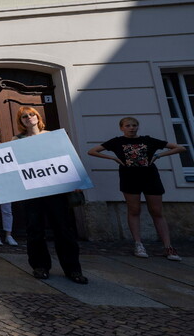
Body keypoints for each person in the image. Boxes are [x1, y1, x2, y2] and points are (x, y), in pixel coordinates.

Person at [88, 117, 185, 261]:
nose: (131, 128)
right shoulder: (117, 141)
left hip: (150, 178)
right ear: (122, 128)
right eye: (128, 126)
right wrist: (113, 159)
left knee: (157, 211)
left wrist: (158, 155)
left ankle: (168, 246)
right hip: (129, 178)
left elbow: (180, 148)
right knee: (134, 210)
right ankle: (138, 244)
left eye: (134, 125)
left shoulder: (148, 140)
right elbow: (93, 151)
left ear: (138, 127)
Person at [13, 107, 87, 284]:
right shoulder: (17, 140)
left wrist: (76, 182)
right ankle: (40, 266)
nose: (28, 118)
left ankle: (73, 269)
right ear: (21, 121)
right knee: (35, 230)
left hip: (55, 190)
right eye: (24, 116)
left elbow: (66, 158)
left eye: (31, 115)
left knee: (63, 229)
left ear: (38, 117)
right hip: (32, 191)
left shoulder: (52, 136)